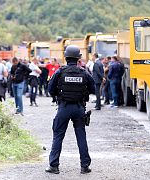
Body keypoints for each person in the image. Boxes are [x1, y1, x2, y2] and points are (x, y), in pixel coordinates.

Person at [46, 45, 95, 174]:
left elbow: (50, 89)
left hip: (64, 107)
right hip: (79, 108)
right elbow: (93, 88)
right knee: (81, 136)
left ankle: (54, 166)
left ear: (66, 57)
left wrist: (59, 93)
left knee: (58, 136)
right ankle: (85, 166)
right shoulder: (84, 72)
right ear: (79, 58)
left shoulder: (60, 72)